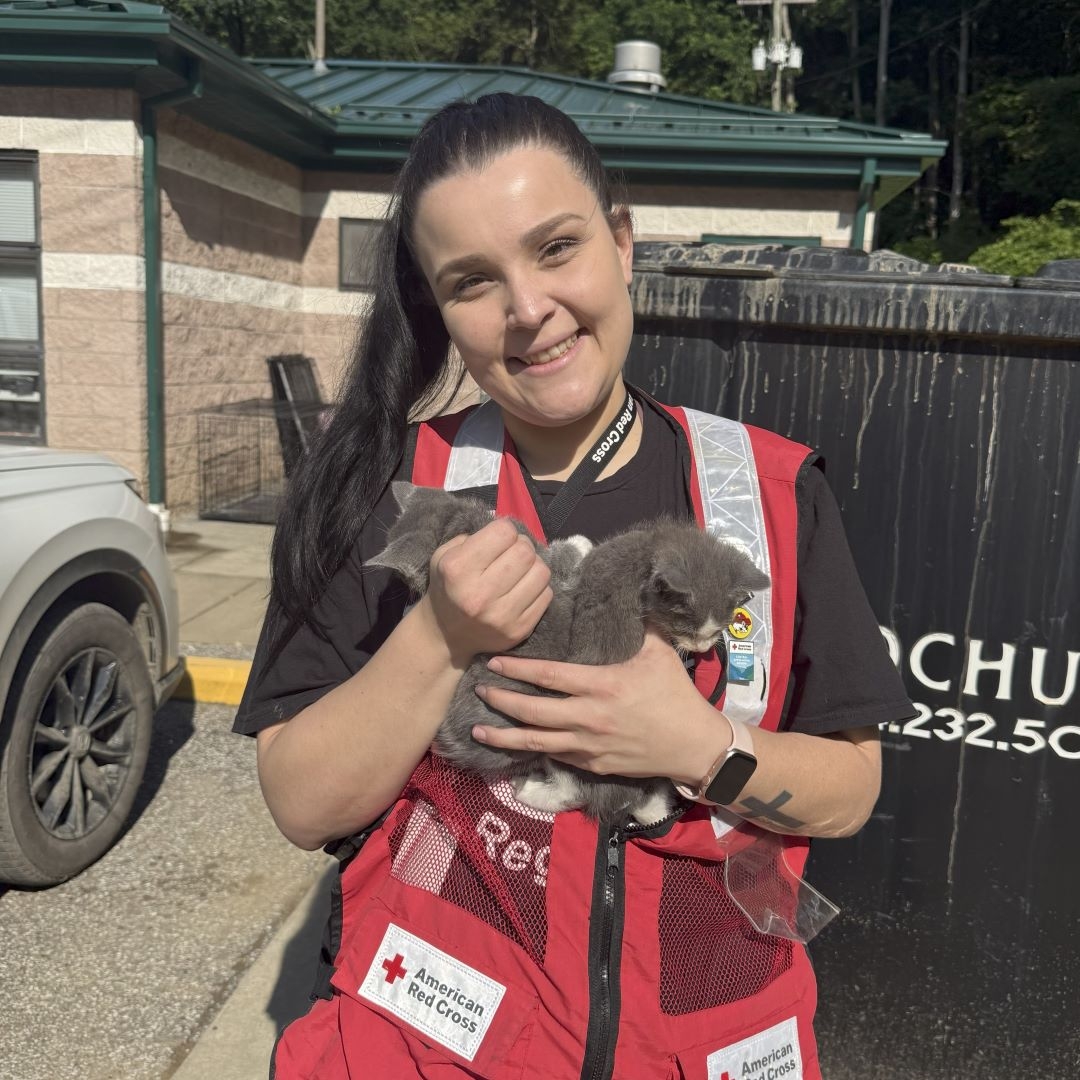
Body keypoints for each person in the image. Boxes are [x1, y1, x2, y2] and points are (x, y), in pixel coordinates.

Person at [234, 93, 915, 1080]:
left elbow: (851, 792)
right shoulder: (376, 499)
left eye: (556, 249)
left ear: (623, 242)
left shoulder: (771, 493)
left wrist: (694, 745)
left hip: (707, 1045)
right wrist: (437, 639)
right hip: (433, 1048)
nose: (527, 309)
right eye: (474, 281)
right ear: (437, 308)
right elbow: (303, 804)